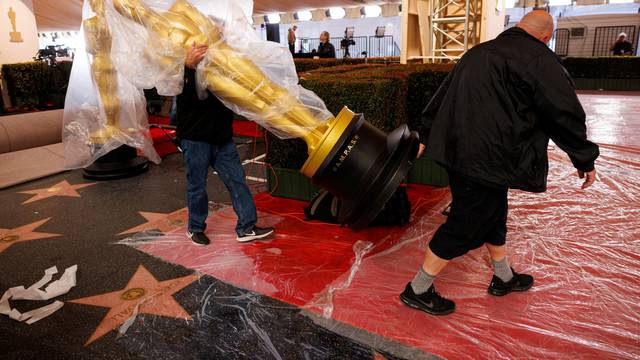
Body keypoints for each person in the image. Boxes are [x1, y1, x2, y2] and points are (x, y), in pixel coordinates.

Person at [401, 10, 599, 315]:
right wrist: (583, 157)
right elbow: (563, 114)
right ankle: (418, 288)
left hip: (460, 153)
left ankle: (503, 277)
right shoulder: (539, 60)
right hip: (488, 158)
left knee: (494, 213)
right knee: (466, 223)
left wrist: (425, 132)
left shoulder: (478, 53)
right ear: (546, 37)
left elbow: (442, 96)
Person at [176, 43, 274, 246]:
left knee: (237, 181)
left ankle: (246, 227)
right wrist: (188, 67)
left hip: (222, 138)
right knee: (197, 186)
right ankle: (195, 227)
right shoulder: (183, 66)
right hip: (195, 139)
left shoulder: (224, 65)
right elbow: (184, 98)